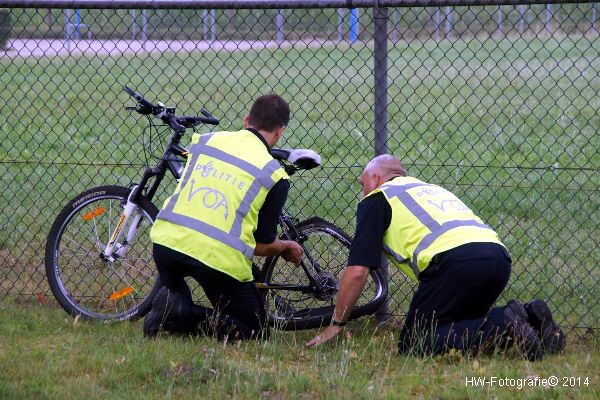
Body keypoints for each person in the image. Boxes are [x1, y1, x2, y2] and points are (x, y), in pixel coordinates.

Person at [306, 154, 565, 360]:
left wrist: (337, 323)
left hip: (455, 265)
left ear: (375, 178)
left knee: (415, 342)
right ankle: (530, 316)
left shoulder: (377, 198)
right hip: (497, 257)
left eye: (362, 184)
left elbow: (358, 270)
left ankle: (505, 324)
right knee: (457, 325)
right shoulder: (428, 189)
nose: (362, 191)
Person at [143, 94, 303, 341]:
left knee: (178, 291)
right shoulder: (274, 174)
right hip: (215, 259)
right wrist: (284, 246)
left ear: (246, 119)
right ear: (279, 132)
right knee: (255, 331)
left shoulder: (206, 140)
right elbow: (260, 244)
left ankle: (171, 309)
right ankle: (179, 312)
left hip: (166, 244)